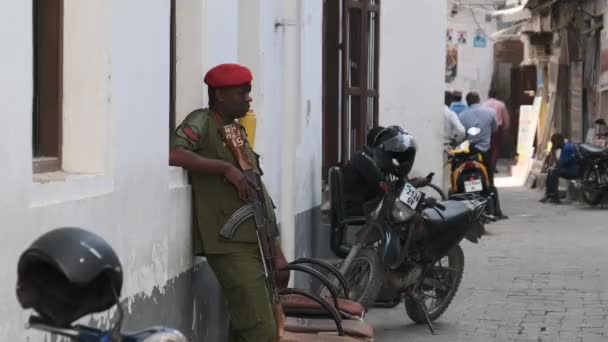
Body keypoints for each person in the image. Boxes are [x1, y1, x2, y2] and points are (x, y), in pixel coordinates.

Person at [169, 63, 277, 342]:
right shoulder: (202, 121)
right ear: (220, 95)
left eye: (248, 91)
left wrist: (274, 248)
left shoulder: (237, 132)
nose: (248, 98)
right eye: (242, 92)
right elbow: (175, 153)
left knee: (245, 328)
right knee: (261, 330)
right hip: (229, 244)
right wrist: (224, 168)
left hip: (254, 240)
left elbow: (257, 193)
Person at [459, 92, 507, 219]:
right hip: (484, 152)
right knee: (489, 181)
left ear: (467, 102)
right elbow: (495, 129)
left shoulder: (462, 115)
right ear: (479, 100)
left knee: (459, 175)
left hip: (468, 152)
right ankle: (496, 211)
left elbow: (460, 134)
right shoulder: (490, 112)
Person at [341, 126, 385, 217]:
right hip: (357, 209)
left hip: (359, 205)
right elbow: (383, 187)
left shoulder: (364, 156)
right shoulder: (365, 160)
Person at [540, 133, 579, 204]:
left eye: (553, 143)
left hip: (574, 171)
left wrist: (554, 155)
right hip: (569, 169)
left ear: (558, 141)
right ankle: (549, 195)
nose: (553, 145)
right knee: (551, 171)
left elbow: (560, 165)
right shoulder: (564, 148)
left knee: (554, 172)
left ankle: (554, 197)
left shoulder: (567, 148)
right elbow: (560, 165)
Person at [484, 90, 511, 173]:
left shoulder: (484, 105)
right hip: (497, 129)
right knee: (496, 147)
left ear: (488, 95)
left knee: (487, 146)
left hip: (487, 128)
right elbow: (506, 117)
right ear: (496, 95)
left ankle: (487, 166)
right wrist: (506, 128)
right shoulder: (501, 104)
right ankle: (493, 166)